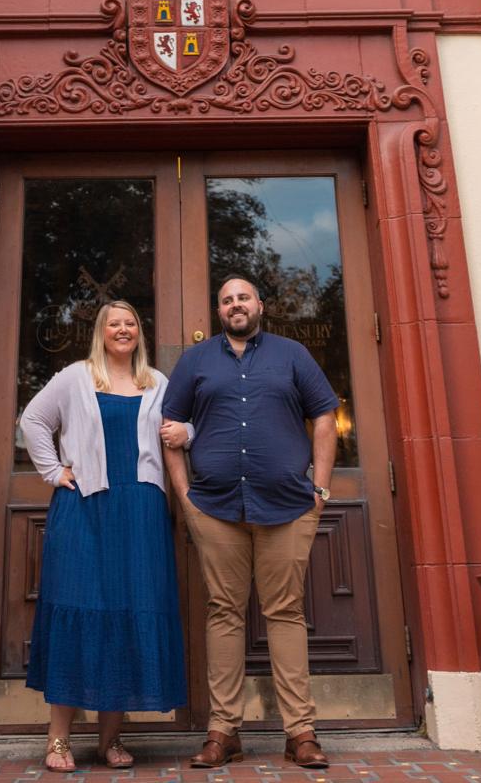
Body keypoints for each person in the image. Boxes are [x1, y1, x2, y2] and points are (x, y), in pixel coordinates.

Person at [159, 275, 338, 770]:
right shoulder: (196, 361)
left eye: (243, 297)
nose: (235, 305)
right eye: (226, 300)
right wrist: (185, 496)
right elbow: (168, 427)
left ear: (260, 304)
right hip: (216, 508)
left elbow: (325, 416)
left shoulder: (292, 355)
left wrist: (321, 489)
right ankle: (223, 732)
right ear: (218, 311)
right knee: (224, 612)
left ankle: (300, 732)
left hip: (288, 506)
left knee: (285, 612)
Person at [21, 299, 189, 772]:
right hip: (85, 508)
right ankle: (58, 740)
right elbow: (33, 420)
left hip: (140, 512)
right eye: (114, 323)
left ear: (139, 332)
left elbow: (183, 427)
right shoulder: (76, 377)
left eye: (130, 322)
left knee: (125, 615)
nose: (123, 329)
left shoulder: (156, 383)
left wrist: (187, 432)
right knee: (78, 610)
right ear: (101, 331)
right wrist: (54, 471)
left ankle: (110, 739)